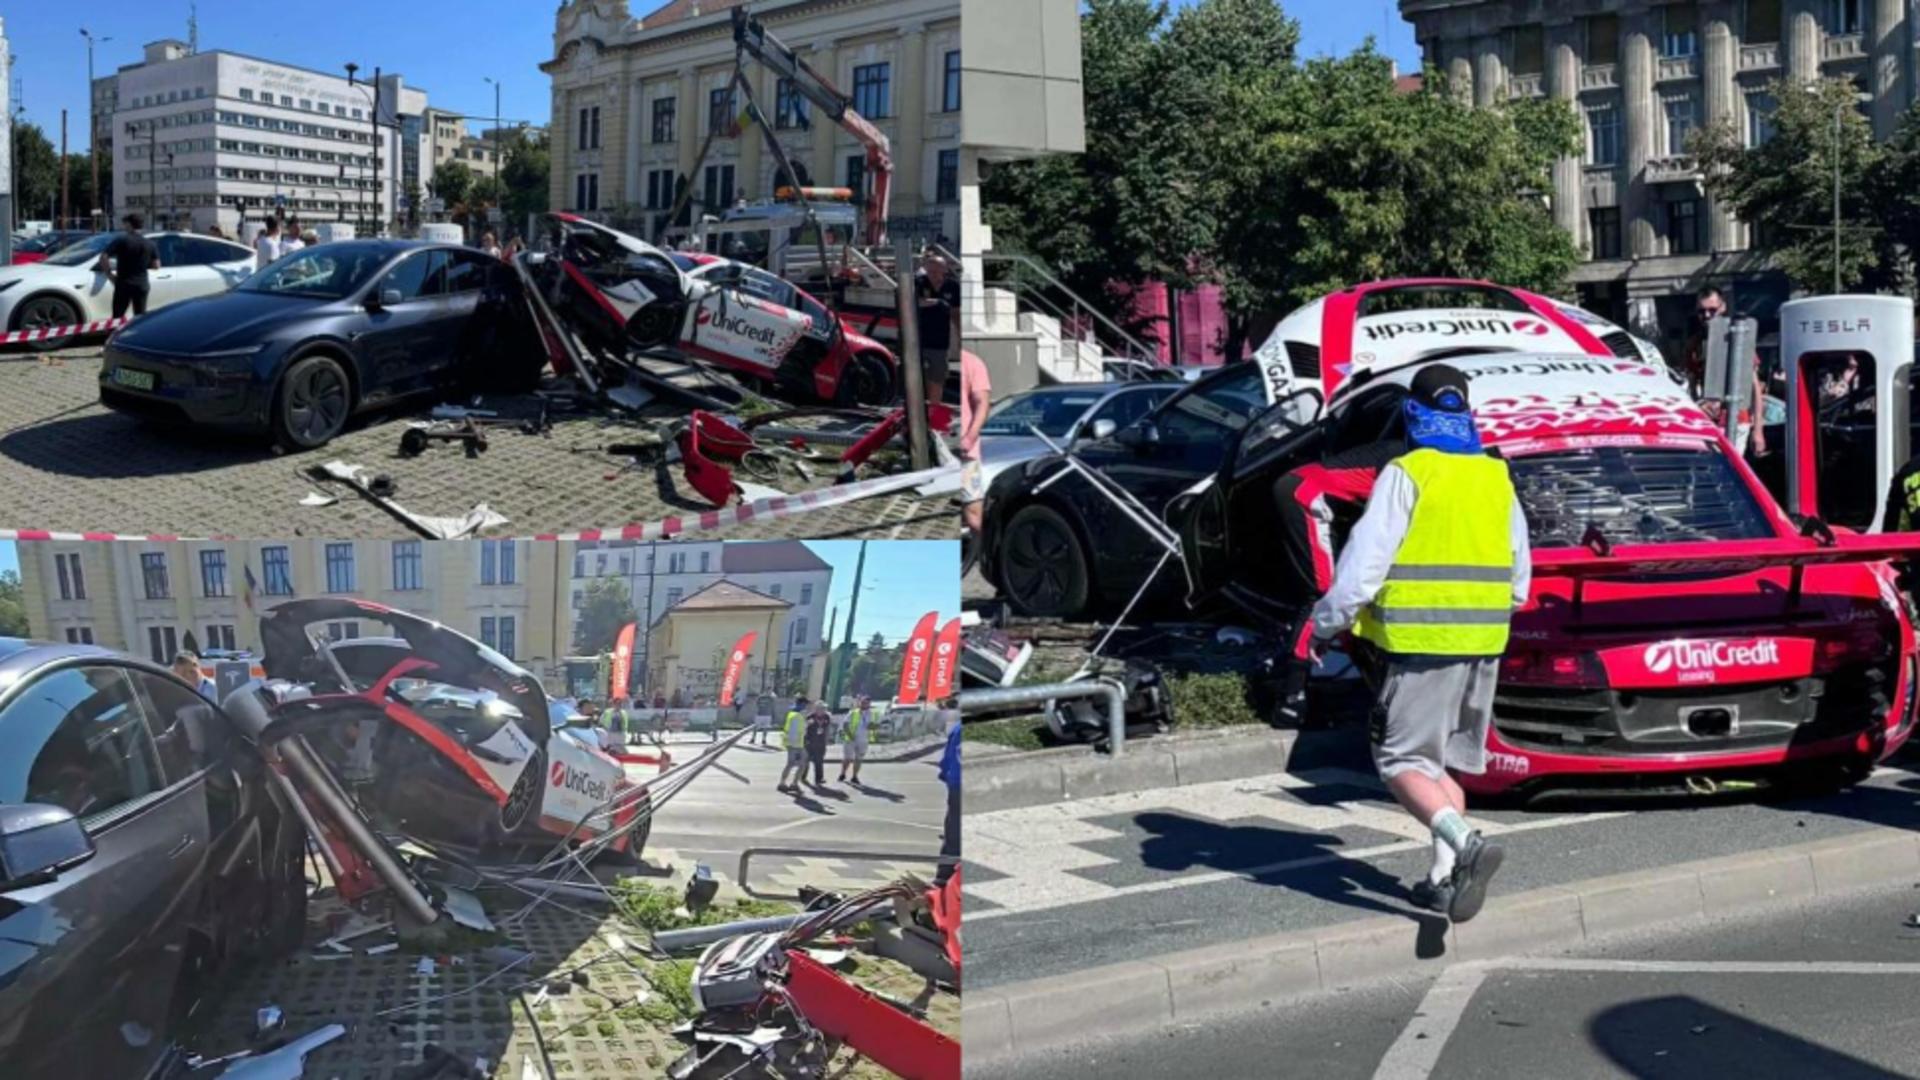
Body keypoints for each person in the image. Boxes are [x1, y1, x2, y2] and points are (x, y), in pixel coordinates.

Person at [1309, 364, 1531, 925]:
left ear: (1413, 414)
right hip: (1483, 642)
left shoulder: (1407, 473)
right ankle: (1441, 881)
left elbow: (1363, 567)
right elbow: (1520, 578)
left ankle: (1468, 843)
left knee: (1399, 761)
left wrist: (1326, 622)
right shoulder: (1494, 477)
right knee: (1439, 766)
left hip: (1420, 640)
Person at [1265, 437, 1408, 727]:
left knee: (1331, 589)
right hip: (1306, 496)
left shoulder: (1402, 450)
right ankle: (1292, 700)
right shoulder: (1405, 459)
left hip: (1309, 492)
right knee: (1322, 594)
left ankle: (1296, 680)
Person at [1684, 286, 1768, 458]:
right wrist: (1697, 406)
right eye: (1702, 311)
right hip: (1708, 424)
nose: (1707, 315)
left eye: (1712, 310)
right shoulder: (1694, 344)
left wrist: (1758, 430)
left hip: (1738, 421)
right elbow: (1692, 386)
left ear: (1722, 307)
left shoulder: (1738, 338)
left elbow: (1755, 388)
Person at [97, 214, 161, 321]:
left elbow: (103, 257)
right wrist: (142, 264)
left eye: (125, 224)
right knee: (140, 317)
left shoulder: (122, 240)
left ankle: (118, 336)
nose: (124, 227)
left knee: (117, 317)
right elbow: (156, 265)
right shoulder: (150, 243)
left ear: (129, 224)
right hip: (141, 284)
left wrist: (109, 274)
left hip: (124, 284)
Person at [916, 255, 961, 404]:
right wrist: (936, 302)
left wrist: (960, 336)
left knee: (937, 379)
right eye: (930, 271)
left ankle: (934, 411)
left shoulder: (952, 287)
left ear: (945, 270)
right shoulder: (919, 283)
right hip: (918, 341)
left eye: (937, 271)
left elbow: (955, 313)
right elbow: (913, 302)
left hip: (940, 342)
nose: (933, 275)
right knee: (917, 381)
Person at [959, 348, 991, 538]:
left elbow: (983, 403)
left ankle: (988, 558)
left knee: (973, 516)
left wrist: (970, 437)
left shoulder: (972, 362)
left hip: (966, 453)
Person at [932, 700, 961, 889]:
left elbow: (945, 762)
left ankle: (944, 876)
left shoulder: (957, 730)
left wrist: (947, 778)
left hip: (956, 785)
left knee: (953, 831)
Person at [838, 694, 876, 784]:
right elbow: (845, 724)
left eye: (866, 703)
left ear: (869, 704)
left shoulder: (872, 714)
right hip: (851, 739)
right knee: (847, 758)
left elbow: (874, 726)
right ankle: (842, 773)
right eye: (862, 702)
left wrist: (873, 726)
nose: (864, 704)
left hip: (863, 740)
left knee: (859, 759)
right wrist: (850, 735)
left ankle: (854, 776)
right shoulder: (853, 712)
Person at [777, 697, 809, 793]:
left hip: (796, 743)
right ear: (802, 704)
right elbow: (794, 731)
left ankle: (793, 783)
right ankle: (783, 784)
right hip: (795, 744)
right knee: (791, 763)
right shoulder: (796, 716)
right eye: (805, 704)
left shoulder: (795, 714)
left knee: (802, 763)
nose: (806, 707)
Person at [804, 700, 833, 787]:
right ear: (816, 709)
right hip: (810, 742)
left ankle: (819, 778)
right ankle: (803, 776)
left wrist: (828, 739)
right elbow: (805, 729)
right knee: (806, 761)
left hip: (821, 742)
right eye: (821, 708)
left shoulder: (827, 717)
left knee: (819, 761)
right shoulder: (810, 717)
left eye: (824, 708)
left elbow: (827, 728)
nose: (823, 710)